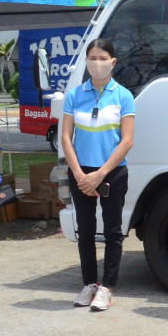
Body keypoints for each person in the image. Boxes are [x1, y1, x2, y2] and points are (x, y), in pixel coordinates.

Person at [60, 39, 135, 312]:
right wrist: (80, 174)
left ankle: (107, 287)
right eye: (92, 57)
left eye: (102, 57)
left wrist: (100, 174)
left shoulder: (123, 96)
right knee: (86, 230)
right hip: (81, 172)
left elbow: (126, 141)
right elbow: (66, 138)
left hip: (112, 173)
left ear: (113, 61)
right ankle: (89, 283)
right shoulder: (75, 95)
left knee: (113, 231)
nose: (96, 62)